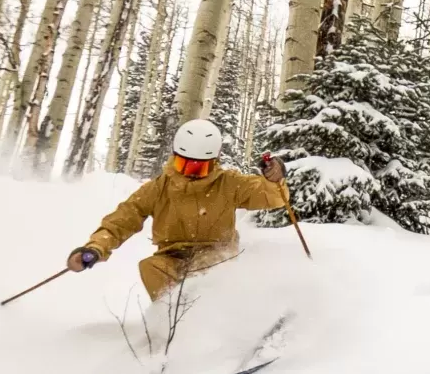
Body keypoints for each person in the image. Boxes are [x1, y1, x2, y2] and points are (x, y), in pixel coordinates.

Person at [68, 118, 294, 301]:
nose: (190, 172)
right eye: (183, 164)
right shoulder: (159, 188)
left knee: (204, 274)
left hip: (216, 253)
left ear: (214, 161)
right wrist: (96, 247)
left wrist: (274, 180)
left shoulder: (229, 183)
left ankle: (221, 327)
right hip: (171, 256)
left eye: (199, 166)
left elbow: (271, 198)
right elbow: (124, 218)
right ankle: (171, 326)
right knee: (151, 268)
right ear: (175, 157)